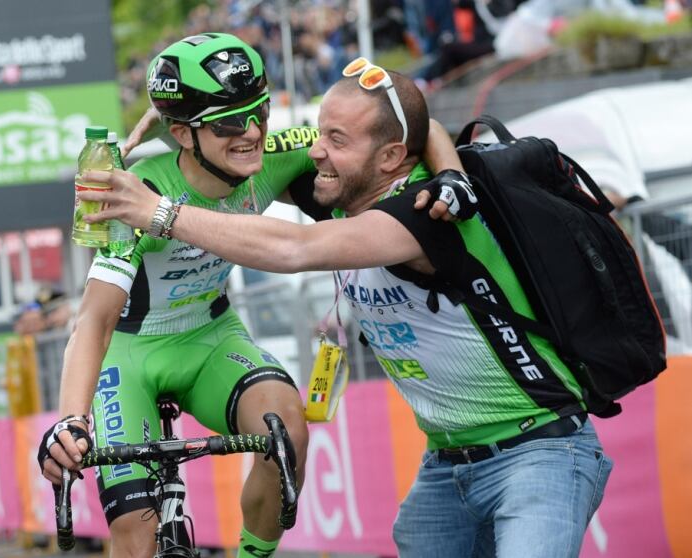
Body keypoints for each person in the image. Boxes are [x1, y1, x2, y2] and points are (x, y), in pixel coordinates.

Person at [79, 58, 613, 557]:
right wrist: (176, 136)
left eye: (335, 139)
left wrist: (159, 210)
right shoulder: (343, 189)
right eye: (318, 132)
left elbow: (291, 249)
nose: (313, 151)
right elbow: (408, 119)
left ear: (387, 158)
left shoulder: (424, 211)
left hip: (539, 451)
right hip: (447, 463)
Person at [38, 34, 467, 558]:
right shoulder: (138, 191)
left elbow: (415, 129)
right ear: (182, 133)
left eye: (259, 112)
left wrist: (452, 176)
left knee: (287, 430)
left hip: (210, 338)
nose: (252, 133)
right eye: (228, 124)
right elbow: (94, 322)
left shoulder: (273, 153)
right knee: (135, 526)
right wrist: (70, 420)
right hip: (128, 356)